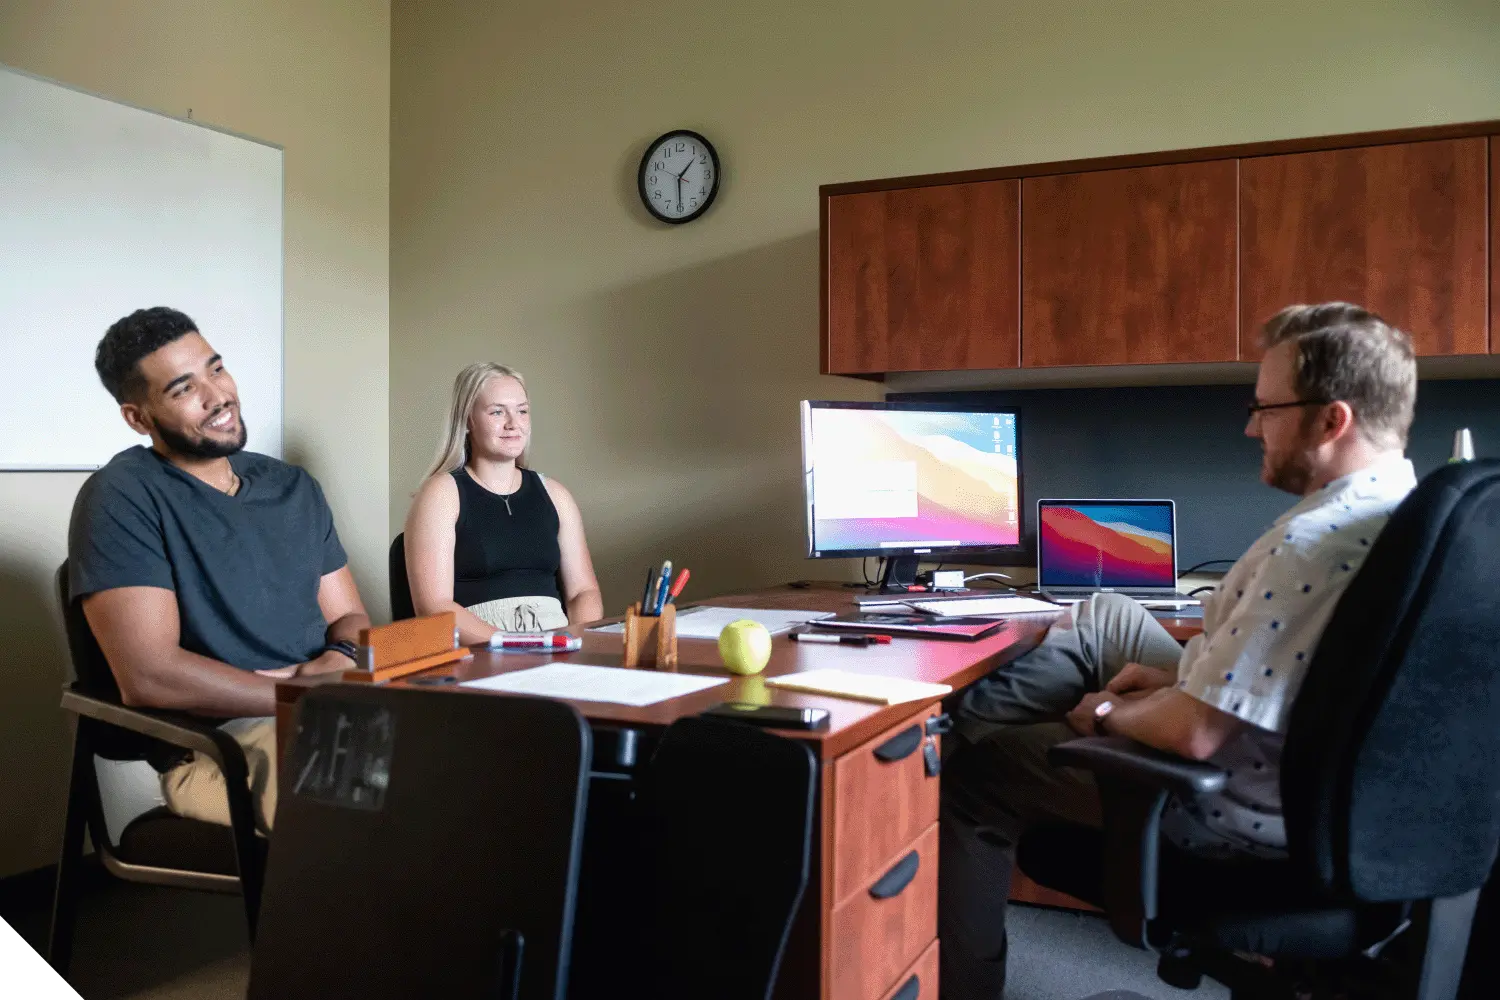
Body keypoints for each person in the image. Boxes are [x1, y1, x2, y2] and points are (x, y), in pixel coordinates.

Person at [939, 303, 1420, 999]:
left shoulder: (1310, 546)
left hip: (1226, 802)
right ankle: (942, 732)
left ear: (1331, 419)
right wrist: (1166, 678)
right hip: (1304, 773)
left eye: (1266, 407)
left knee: (977, 777)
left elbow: (1196, 733)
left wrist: (1108, 714)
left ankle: (937, 766)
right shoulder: (1399, 507)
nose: (1252, 425)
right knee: (1105, 613)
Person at [68, 306, 370, 835]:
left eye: (217, 368)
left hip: (329, 711)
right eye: (184, 389)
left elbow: (351, 618)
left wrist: (334, 659)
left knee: (477, 755)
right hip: (214, 749)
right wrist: (297, 694)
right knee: (374, 792)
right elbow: (149, 675)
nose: (218, 396)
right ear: (139, 418)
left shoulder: (293, 487)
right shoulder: (122, 496)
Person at [404, 362, 603, 643]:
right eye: (497, 412)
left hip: (556, 646)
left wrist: (577, 641)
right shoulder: (441, 494)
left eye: (522, 411)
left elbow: (583, 592)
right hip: (483, 649)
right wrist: (517, 646)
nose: (513, 424)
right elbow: (434, 607)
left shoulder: (556, 494)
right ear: (468, 420)